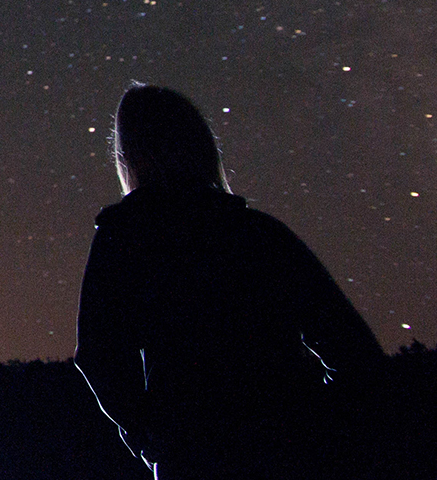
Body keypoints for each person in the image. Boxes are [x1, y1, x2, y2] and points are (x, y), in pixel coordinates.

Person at [74, 83, 386, 480]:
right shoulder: (259, 233)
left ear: (128, 155)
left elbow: (99, 355)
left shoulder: (124, 239)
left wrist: (149, 435)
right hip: (289, 453)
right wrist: (314, 423)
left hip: (191, 454)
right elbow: (353, 349)